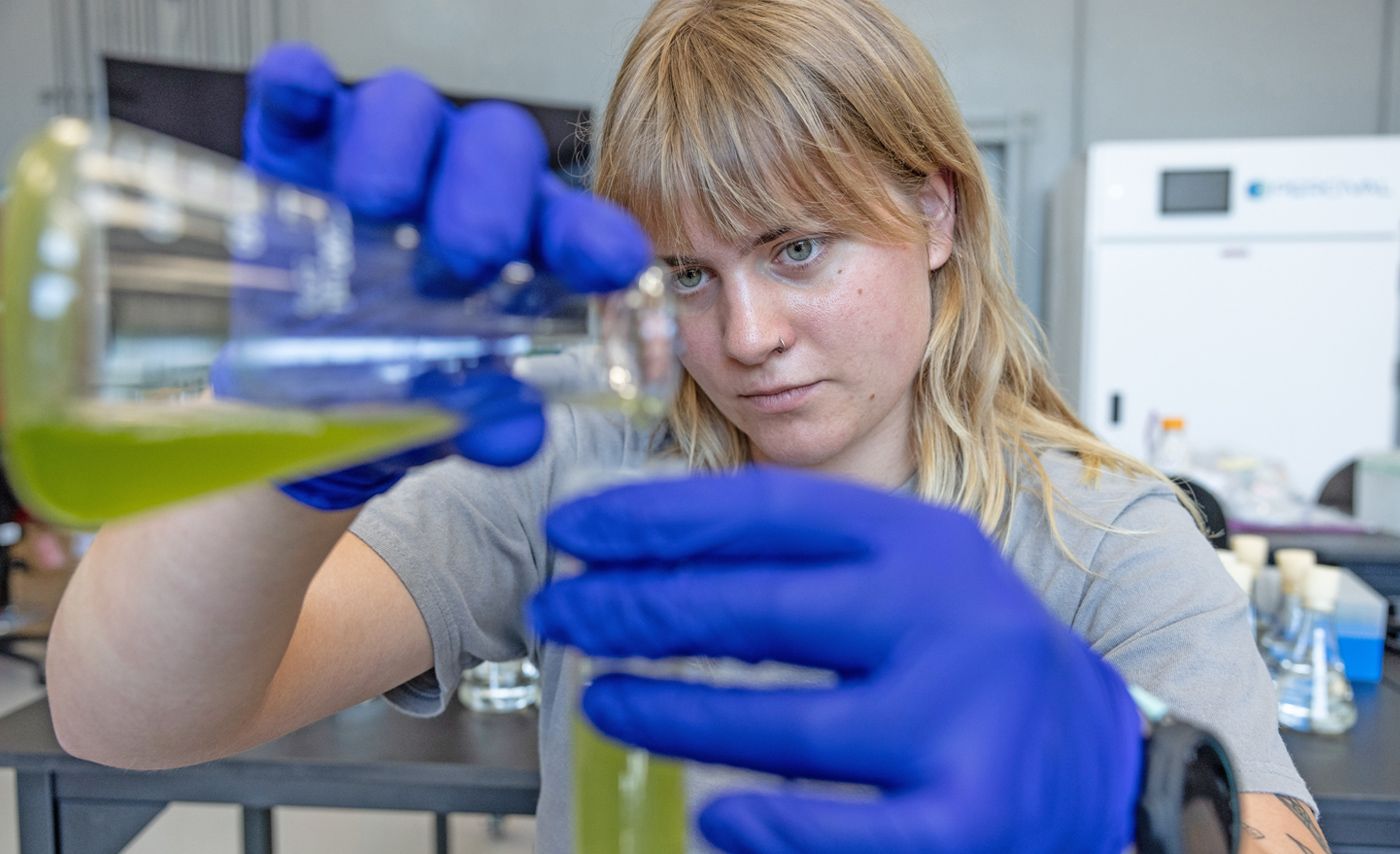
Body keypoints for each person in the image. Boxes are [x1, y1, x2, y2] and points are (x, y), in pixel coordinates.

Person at [45, 0, 1329, 851]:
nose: (748, 334)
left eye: (797, 246)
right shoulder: (580, 471)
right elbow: (124, 717)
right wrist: (284, 432)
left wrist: (1143, 800)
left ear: (933, 213)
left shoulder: (1099, 533)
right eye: (688, 274)